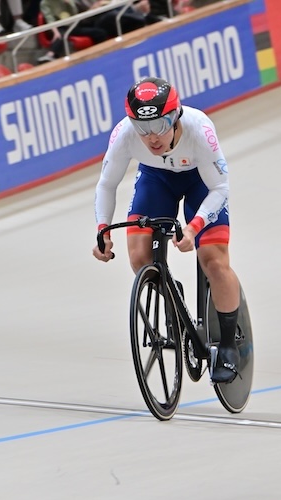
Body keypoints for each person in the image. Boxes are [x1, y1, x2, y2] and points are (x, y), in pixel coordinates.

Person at [92, 76, 242, 384]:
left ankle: (228, 344)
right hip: (156, 179)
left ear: (175, 117)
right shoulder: (124, 135)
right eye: (142, 128)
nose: (151, 137)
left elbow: (220, 187)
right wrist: (103, 230)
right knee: (138, 258)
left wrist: (194, 227)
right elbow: (106, 184)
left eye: (160, 125)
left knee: (213, 259)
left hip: (201, 181)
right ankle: (172, 294)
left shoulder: (200, 130)